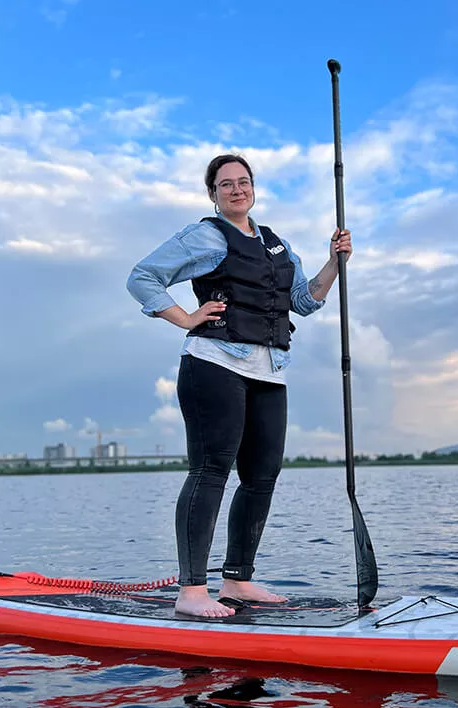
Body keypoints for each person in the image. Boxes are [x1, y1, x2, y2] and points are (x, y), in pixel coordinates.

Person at [126, 154, 352, 618]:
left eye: (243, 182)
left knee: (261, 479)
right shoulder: (204, 236)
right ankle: (192, 592)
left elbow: (305, 302)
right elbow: (142, 277)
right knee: (211, 472)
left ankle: (238, 580)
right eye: (225, 184)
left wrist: (334, 262)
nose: (236, 189)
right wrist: (185, 318)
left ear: (253, 189)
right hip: (214, 364)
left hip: (270, 372)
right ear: (213, 194)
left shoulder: (277, 244)